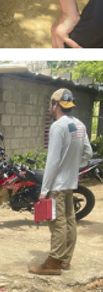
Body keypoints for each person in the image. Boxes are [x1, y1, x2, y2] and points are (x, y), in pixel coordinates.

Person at [30, 89, 92, 275]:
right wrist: (72, 165)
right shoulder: (80, 125)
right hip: (70, 184)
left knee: (57, 223)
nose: (49, 107)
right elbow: (88, 154)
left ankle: (53, 263)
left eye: (50, 104)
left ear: (56, 105)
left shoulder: (58, 127)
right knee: (70, 221)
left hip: (57, 186)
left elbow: (53, 162)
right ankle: (65, 260)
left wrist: (44, 190)